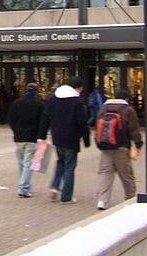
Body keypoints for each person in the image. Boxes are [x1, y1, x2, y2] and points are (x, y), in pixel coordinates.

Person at [38, 76, 90, 204]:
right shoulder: (77, 101)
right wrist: (86, 139)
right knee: (69, 167)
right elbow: (82, 122)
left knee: (60, 162)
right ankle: (66, 197)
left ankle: (55, 187)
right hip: (72, 138)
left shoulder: (52, 99)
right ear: (77, 88)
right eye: (80, 88)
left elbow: (45, 118)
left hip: (57, 137)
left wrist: (42, 135)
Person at [94, 88, 143, 210]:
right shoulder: (128, 110)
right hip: (122, 146)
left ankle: (102, 200)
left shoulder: (104, 108)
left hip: (105, 145)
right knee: (126, 173)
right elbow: (134, 129)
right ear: (126, 99)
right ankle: (130, 197)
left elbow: (97, 126)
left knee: (105, 173)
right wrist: (138, 144)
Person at [7, 82, 44, 198]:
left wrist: (16, 131)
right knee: (28, 163)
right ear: (36, 91)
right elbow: (42, 122)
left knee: (21, 163)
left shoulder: (16, 103)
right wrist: (41, 136)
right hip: (31, 137)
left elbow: (11, 119)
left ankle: (24, 185)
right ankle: (23, 188)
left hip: (18, 138)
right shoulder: (39, 104)